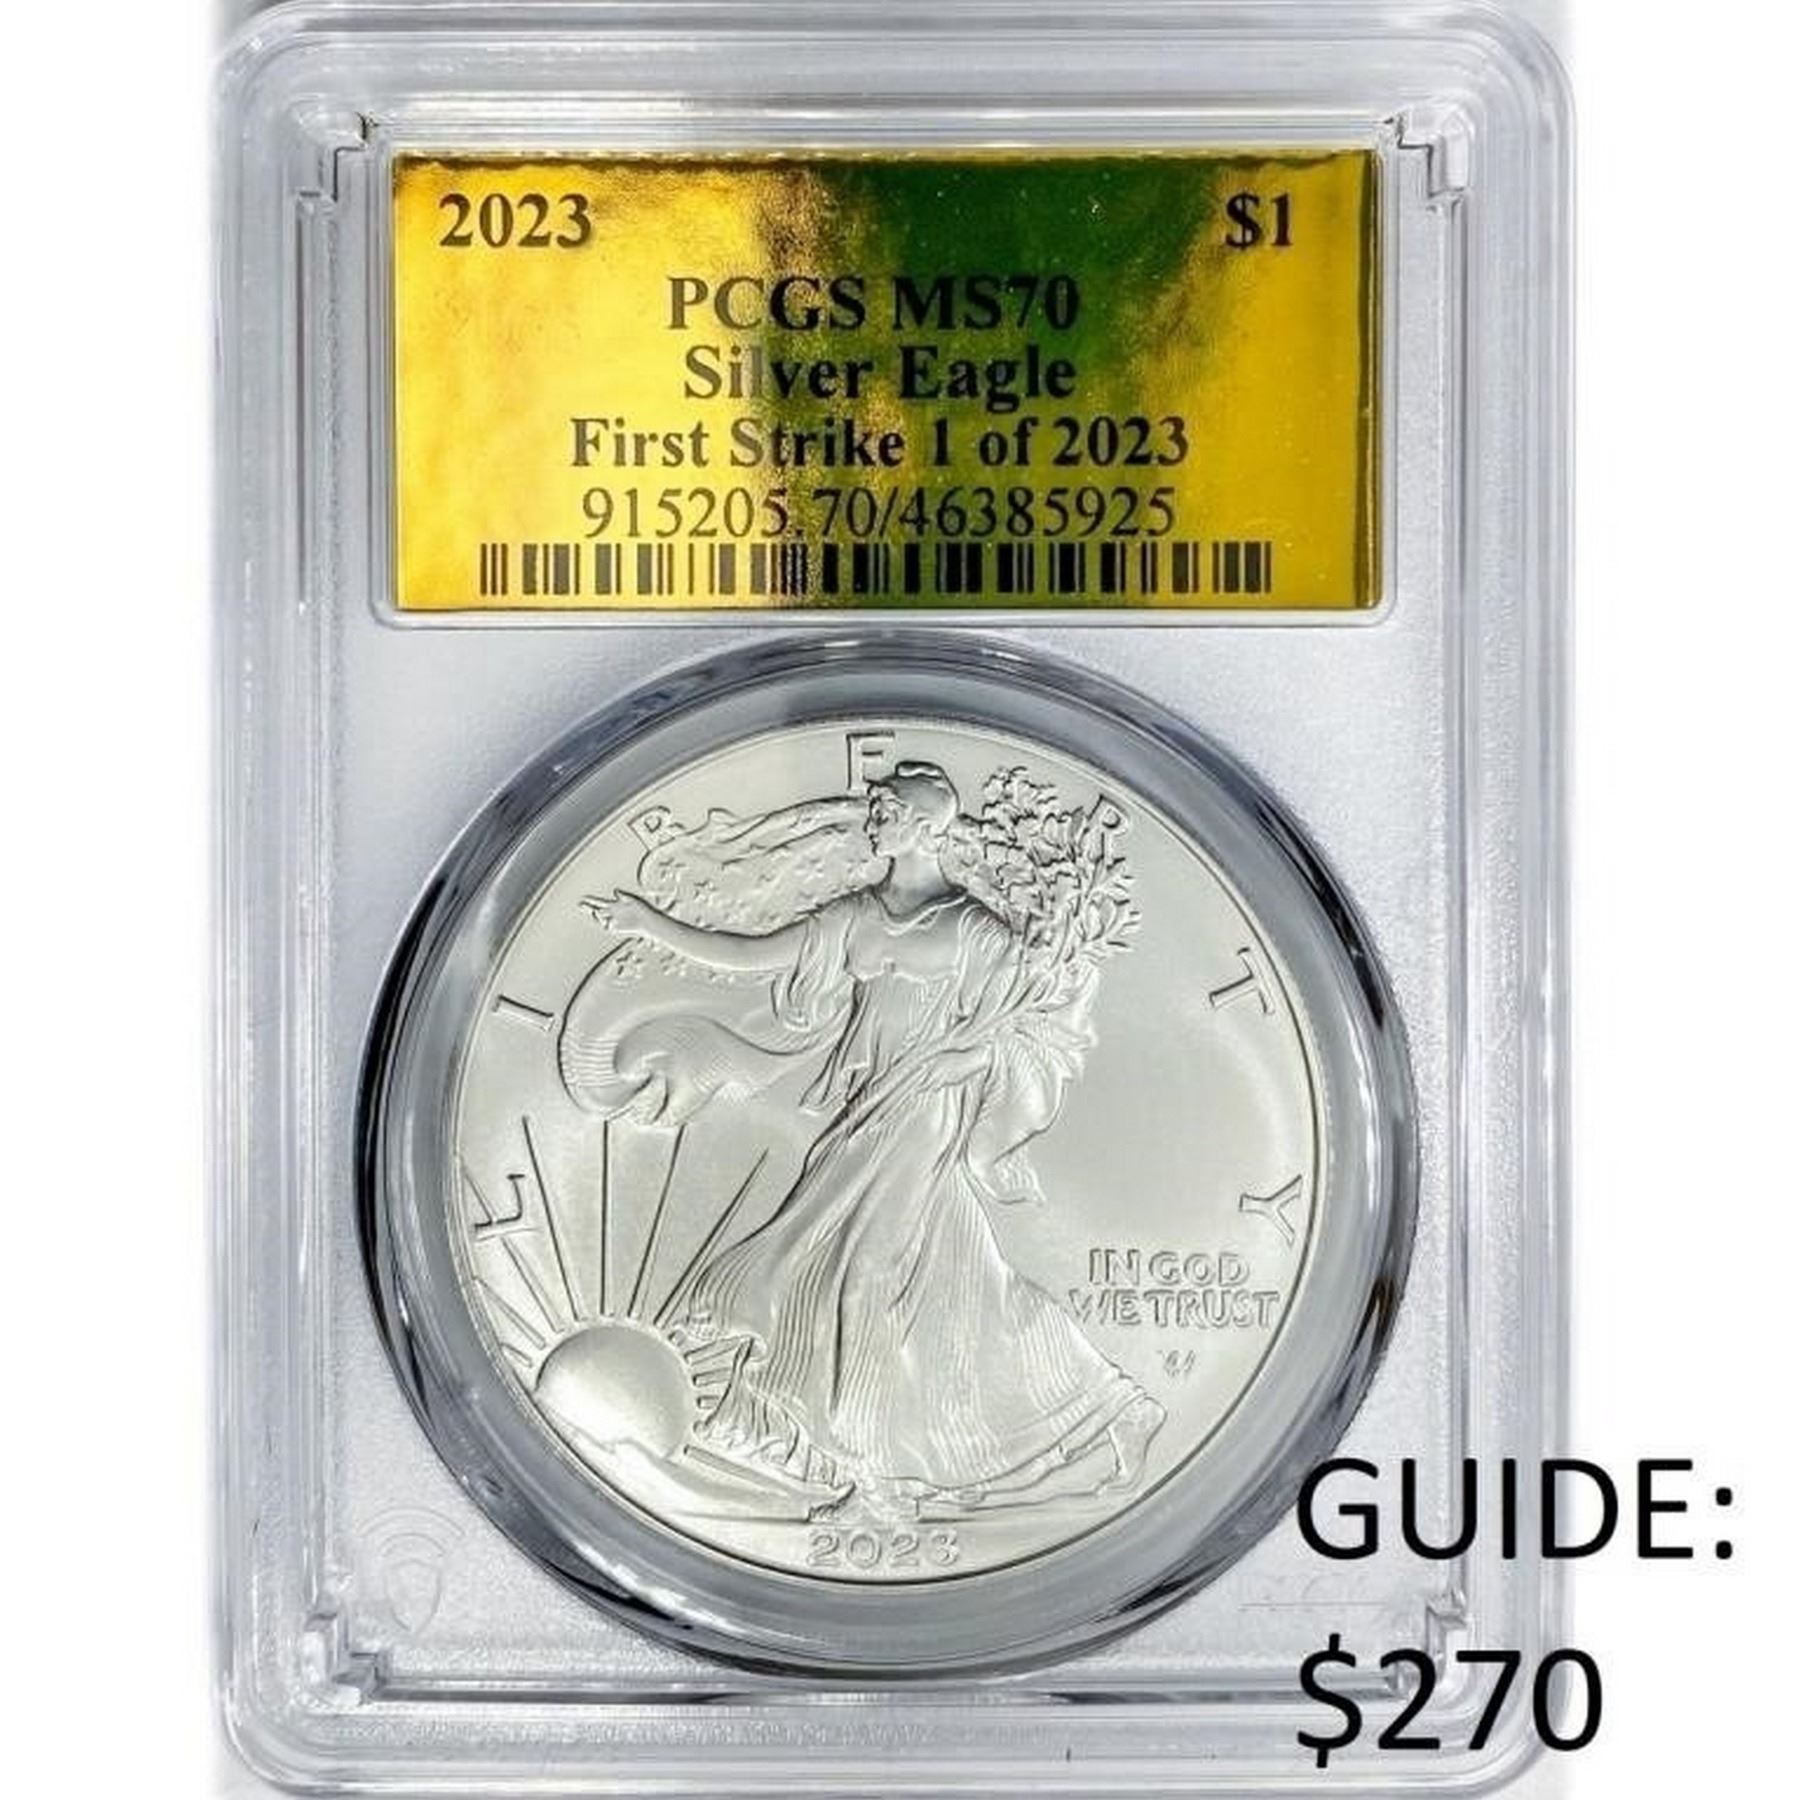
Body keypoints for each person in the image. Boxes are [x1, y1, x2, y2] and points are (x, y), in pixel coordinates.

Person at [589, 762, 1163, 1521]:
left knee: (858, 1278)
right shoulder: (855, 916)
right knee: (963, 1288)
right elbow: (751, 953)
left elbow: (1031, 1025)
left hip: (925, 1115)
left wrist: (971, 1059)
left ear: (925, 826)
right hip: (866, 1113)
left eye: (886, 810)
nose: (872, 820)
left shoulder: (974, 930)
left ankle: (879, 1484)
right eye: (875, 808)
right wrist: (649, 924)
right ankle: (1112, 1407)